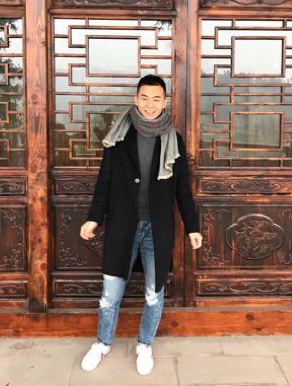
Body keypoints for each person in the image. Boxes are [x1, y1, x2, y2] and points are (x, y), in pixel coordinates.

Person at [79, 74, 202, 376]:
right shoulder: (119, 136)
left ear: (164, 102)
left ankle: (144, 345)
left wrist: (192, 227)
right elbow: (105, 181)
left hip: (157, 229)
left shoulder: (173, 139)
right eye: (144, 98)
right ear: (136, 99)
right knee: (110, 294)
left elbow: (182, 189)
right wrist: (94, 217)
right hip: (123, 225)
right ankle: (102, 343)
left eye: (156, 98)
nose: (150, 104)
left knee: (153, 293)